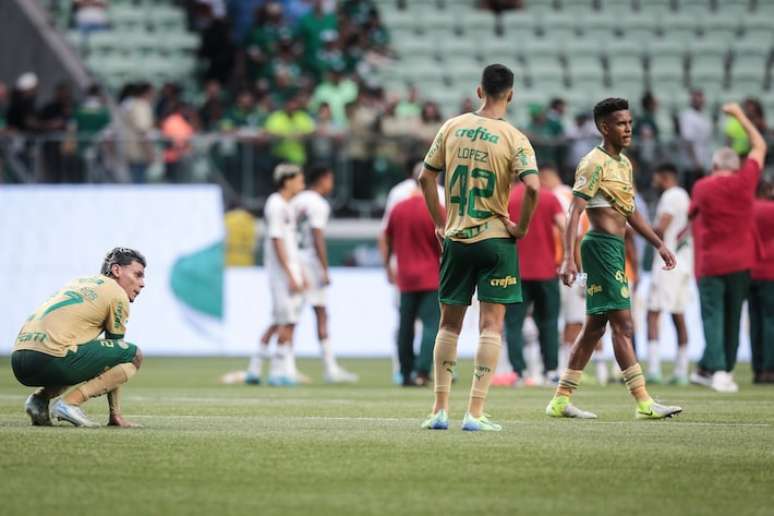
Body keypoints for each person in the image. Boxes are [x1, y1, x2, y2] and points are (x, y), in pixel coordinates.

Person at [419, 64, 541, 432]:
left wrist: (440, 223)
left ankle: (439, 410)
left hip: (456, 238)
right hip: (495, 240)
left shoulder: (451, 127)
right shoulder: (515, 138)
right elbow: (533, 187)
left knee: (448, 326)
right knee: (491, 327)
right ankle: (474, 413)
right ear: (511, 95)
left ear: (478, 91)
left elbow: (426, 177)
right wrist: (520, 227)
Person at [546, 97, 682, 420]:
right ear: (604, 127)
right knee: (625, 324)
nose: (628, 128)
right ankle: (644, 402)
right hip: (599, 248)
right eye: (621, 123)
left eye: (630, 123)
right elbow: (575, 209)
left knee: (595, 328)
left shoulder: (623, 164)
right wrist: (568, 257)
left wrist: (658, 243)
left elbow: (630, 210)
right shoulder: (592, 163)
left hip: (614, 248)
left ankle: (561, 400)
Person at [11, 248, 146, 427]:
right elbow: (117, 353)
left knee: (81, 352)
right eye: (138, 275)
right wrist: (116, 414)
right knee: (133, 354)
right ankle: (69, 404)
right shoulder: (116, 292)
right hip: (51, 358)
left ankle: (39, 400)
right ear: (116, 270)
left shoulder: (79, 282)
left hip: (19, 358)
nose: (142, 283)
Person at [689, 103, 767, 392]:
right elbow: (759, 145)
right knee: (734, 317)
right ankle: (727, 370)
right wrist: (740, 116)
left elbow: (692, 215)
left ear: (714, 166)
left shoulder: (702, 187)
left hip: (711, 263)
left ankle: (716, 370)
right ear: (736, 166)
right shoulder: (746, 181)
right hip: (742, 262)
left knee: (712, 317)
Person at [292, 165, 358, 383]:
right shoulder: (318, 204)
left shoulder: (296, 200)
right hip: (310, 262)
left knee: (291, 316)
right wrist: (324, 267)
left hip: (294, 260)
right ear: (323, 179)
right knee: (320, 313)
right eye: (330, 179)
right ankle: (329, 368)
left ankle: (285, 365)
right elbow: (316, 234)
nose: (332, 184)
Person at [246, 164, 307, 386]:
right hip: (281, 274)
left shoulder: (287, 206)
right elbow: (276, 240)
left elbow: (291, 243)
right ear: (287, 180)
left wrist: (299, 271)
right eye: (299, 179)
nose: (302, 183)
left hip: (289, 270)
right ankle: (277, 371)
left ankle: (254, 367)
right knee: (287, 321)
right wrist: (290, 273)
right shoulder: (276, 205)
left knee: (278, 320)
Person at [504, 166, 565, 384]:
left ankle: (519, 372)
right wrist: (569, 258)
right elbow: (564, 227)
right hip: (546, 270)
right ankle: (551, 371)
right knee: (548, 322)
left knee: (513, 323)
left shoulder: (507, 197)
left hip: (514, 271)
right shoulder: (548, 197)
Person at [384, 173, 443, 387]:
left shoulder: (398, 209)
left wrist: (387, 266)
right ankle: (422, 370)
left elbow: (387, 238)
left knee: (405, 326)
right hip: (431, 276)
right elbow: (443, 243)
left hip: (405, 276)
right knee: (430, 325)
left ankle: (405, 371)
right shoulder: (436, 209)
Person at [645, 163, 693, 385]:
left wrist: (635, 229)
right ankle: (682, 370)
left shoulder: (671, 195)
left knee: (653, 313)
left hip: (667, 263)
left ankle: (653, 369)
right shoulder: (684, 195)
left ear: (663, 176)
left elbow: (661, 228)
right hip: (684, 261)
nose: (654, 182)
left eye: (656, 178)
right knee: (678, 314)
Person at [750, 180, 774, 383]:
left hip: (751, 270)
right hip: (771, 271)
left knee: (755, 322)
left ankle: (757, 369)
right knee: (770, 321)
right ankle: (769, 368)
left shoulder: (748, 210)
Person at [679, 89, 712, 189]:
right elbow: (688, 141)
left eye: (700, 96)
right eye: (696, 97)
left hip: (704, 163)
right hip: (691, 166)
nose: (698, 100)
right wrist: (695, 162)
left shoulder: (705, 116)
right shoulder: (687, 116)